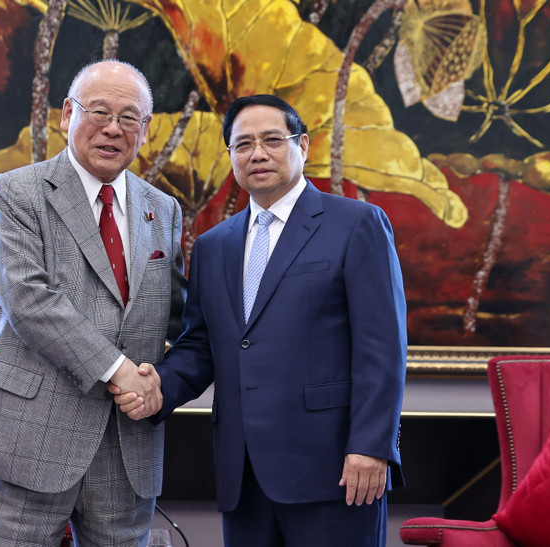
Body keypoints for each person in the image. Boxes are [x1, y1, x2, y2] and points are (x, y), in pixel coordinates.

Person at [112, 94, 407, 546]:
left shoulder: (357, 224)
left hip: (335, 468)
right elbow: (200, 346)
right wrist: (157, 390)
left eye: (272, 139)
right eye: (243, 144)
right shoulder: (214, 245)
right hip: (243, 470)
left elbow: (382, 347)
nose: (258, 153)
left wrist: (371, 446)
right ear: (231, 155)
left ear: (303, 145)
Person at [0, 59, 186, 546]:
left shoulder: (163, 209)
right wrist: (120, 370)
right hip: (31, 433)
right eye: (98, 111)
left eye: (129, 117)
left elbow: (178, 317)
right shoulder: (17, 193)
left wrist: (161, 381)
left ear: (145, 130)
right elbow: (29, 300)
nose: (112, 128)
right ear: (66, 114)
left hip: (127, 443)